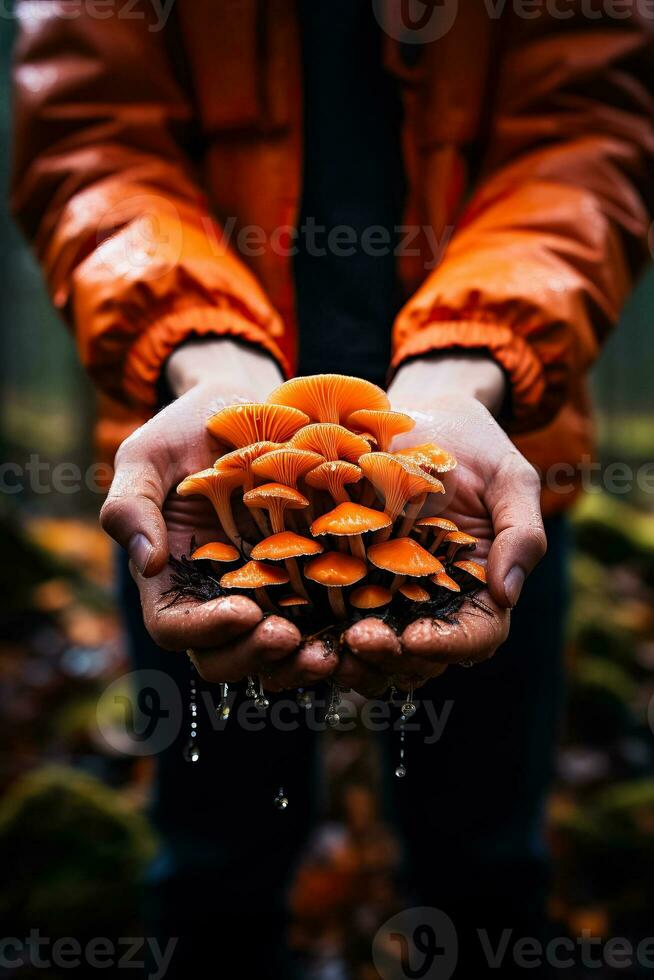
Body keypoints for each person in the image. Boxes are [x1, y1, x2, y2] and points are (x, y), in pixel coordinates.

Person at [11, 1, 654, 976]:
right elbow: (87, 135)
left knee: (486, 862)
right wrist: (205, 361)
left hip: (479, 475)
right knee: (212, 860)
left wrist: (468, 363)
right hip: (199, 487)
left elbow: (590, 136)